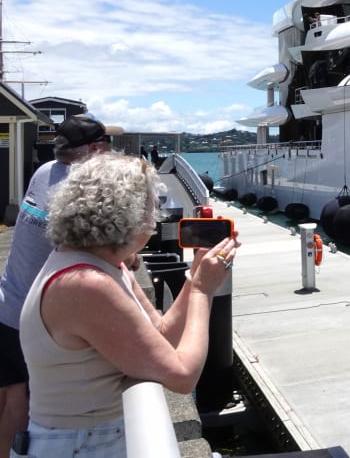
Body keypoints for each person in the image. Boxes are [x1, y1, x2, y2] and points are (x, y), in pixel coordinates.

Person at [16, 153, 238, 457]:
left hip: (90, 439)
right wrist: (201, 289)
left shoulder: (104, 266)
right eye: (152, 205)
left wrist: (195, 277)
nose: (157, 217)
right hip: (78, 445)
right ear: (128, 215)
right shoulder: (86, 284)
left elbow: (160, 335)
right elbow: (182, 375)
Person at [0, 113, 114, 457]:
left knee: (6, 396)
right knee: (22, 406)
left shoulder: (43, 173)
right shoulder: (80, 192)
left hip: (5, 300)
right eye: (107, 149)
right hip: (29, 317)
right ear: (94, 149)